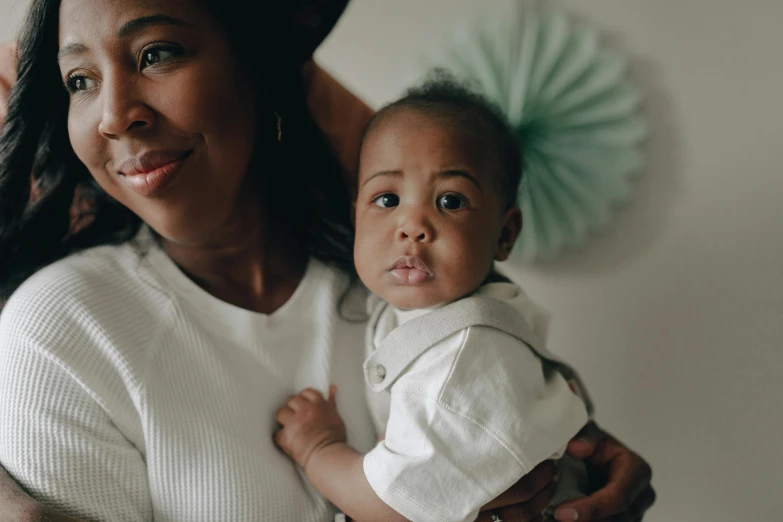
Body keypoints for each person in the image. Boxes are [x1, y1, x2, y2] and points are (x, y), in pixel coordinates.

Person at [0, 0, 655, 521]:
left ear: (256, 68)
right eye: (79, 80)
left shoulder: (404, 288)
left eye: (157, 52)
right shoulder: (61, 328)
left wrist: (563, 442)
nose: (114, 115)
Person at [275, 75, 595, 522]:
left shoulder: (462, 360)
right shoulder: (403, 309)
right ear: (356, 217)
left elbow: (394, 508)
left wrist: (318, 448)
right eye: (387, 199)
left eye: (449, 201)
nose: (412, 224)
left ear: (504, 235)